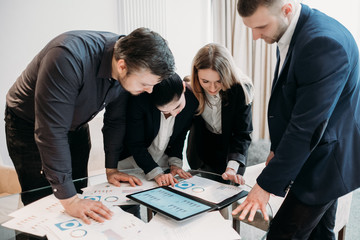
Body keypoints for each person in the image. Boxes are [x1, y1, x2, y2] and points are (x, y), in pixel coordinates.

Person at [5, 27, 175, 225]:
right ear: (122, 66)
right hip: (29, 124)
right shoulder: (67, 57)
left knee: (78, 195)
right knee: (43, 205)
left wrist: (111, 169)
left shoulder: (129, 64)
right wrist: (69, 200)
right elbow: (51, 131)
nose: (149, 90)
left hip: (76, 123)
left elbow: (115, 120)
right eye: (146, 83)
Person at [233, 0, 360, 239]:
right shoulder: (299, 28)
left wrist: (264, 186)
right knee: (321, 235)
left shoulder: (322, 43)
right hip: (320, 148)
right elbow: (294, 98)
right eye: (250, 28)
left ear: (286, 9)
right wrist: (277, 149)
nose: (254, 36)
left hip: (326, 160)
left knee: (282, 235)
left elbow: (306, 127)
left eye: (260, 27)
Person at [186, 43, 253, 185]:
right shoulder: (190, 90)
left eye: (218, 81)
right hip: (202, 151)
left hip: (231, 151)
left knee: (228, 194)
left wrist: (232, 167)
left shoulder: (240, 90)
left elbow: (242, 134)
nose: (212, 88)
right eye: (205, 81)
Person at [118, 72, 197, 186]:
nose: (174, 114)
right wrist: (155, 173)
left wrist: (175, 164)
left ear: (183, 87)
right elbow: (135, 143)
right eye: (165, 112)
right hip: (131, 160)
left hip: (162, 160)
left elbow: (179, 136)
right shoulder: (139, 100)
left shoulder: (192, 101)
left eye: (177, 106)